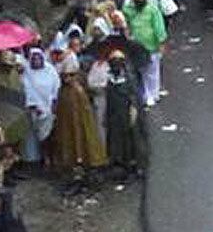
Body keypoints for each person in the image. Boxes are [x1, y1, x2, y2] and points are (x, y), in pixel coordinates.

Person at [45, 47, 109, 178]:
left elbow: (84, 111)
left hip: (79, 124)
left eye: (70, 75)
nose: (67, 78)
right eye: (65, 76)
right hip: (66, 125)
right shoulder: (63, 90)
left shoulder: (78, 91)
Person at [102, 53, 148, 179]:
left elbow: (135, 97)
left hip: (126, 114)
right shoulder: (109, 79)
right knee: (115, 139)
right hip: (114, 115)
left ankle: (133, 164)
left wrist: (133, 110)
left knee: (130, 139)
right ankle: (118, 162)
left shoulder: (129, 78)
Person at [124, 0, 168, 107]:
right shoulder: (131, 10)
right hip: (137, 46)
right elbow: (126, 16)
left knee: (152, 71)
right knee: (142, 70)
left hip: (151, 46)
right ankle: (146, 94)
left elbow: (159, 26)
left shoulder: (152, 10)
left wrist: (161, 42)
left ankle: (153, 94)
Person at [20, 47, 60, 168]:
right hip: (34, 108)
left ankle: (51, 159)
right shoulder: (27, 73)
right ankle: (38, 159)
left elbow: (56, 87)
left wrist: (54, 102)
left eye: (39, 58)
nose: (36, 60)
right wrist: (33, 105)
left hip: (49, 107)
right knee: (37, 136)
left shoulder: (50, 70)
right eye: (34, 58)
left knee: (50, 135)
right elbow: (26, 90)